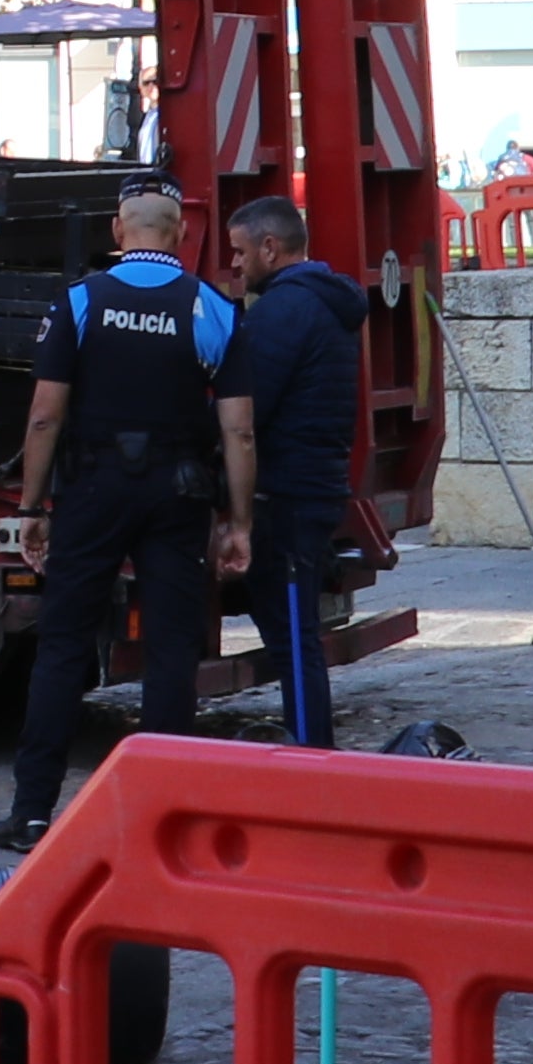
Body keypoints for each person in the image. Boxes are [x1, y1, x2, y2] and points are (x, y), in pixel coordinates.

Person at [0, 177, 242, 852]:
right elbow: (239, 429)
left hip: (93, 491)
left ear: (116, 230)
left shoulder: (80, 302)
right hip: (177, 493)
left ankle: (33, 811)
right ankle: (162, 815)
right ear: (181, 234)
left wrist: (32, 505)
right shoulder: (209, 305)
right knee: (169, 650)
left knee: (63, 647)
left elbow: (45, 414)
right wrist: (236, 518)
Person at [214, 193, 369, 752]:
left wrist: (229, 493)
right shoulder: (325, 302)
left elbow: (249, 410)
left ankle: (310, 754)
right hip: (314, 484)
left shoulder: (283, 310)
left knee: (292, 638)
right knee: (293, 631)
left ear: (270, 247)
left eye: (239, 251)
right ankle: (310, 747)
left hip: (287, 493)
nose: (234, 264)